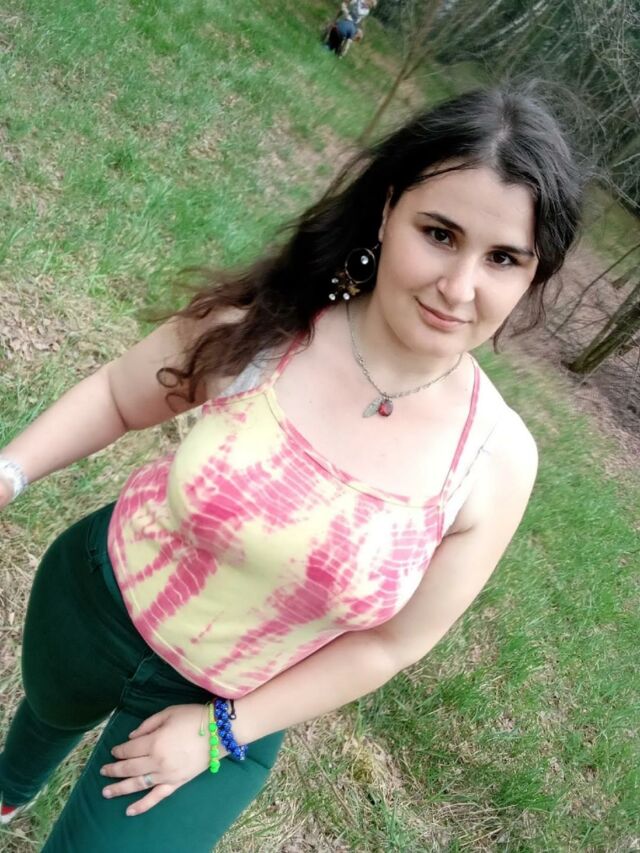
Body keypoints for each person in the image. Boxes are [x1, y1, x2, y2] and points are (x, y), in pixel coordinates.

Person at [0, 85, 583, 851]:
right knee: (46, 714)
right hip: (97, 598)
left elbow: (391, 643)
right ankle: (11, 787)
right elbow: (117, 394)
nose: (460, 286)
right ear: (387, 211)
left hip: (233, 708)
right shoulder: (269, 325)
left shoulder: (496, 460)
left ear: (533, 274)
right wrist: (10, 471)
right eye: (440, 233)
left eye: (503, 258)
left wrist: (219, 731)